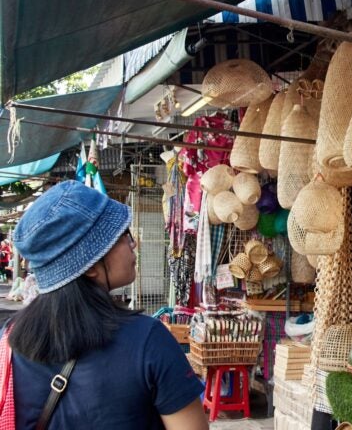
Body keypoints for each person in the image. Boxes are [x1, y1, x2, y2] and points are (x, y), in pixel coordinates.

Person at [5, 181, 208, 429]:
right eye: (123, 236)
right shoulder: (148, 340)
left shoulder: (10, 339)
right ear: (90, 264)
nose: (133, 244)